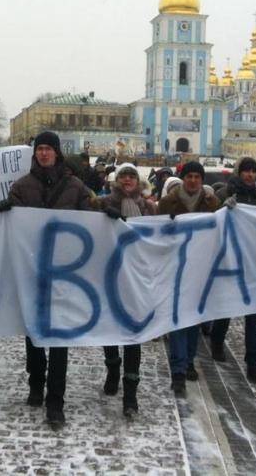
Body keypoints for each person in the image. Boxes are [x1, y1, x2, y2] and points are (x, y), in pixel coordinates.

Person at [0, 131, 91, 427]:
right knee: (34, 332)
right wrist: (4, 212)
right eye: (40, 149)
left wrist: (107, 217)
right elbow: (12, 225)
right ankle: (36, 383)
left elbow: (90, 219)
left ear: (57, 152)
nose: (44, 153)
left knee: (60, 337)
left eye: (49, 148)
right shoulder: (22, 186)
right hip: (32, 270)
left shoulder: (75, 187)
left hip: (65, 272)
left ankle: (55, 401)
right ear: (35, 153)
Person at [92, 163, 156, 417]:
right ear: (116, 180)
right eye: (123, 176)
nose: (128, 180)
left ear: (138, 181)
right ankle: (112, 369)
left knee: (133, 334)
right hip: (108, 276)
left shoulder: (148, 207)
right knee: (109, 330)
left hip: (136, 279)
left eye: (132, 176)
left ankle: (130, 393)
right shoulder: (104, 203)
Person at [158, 161, 221, 396]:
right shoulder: (168, 202)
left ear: (202, 180)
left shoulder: (212, 203)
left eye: (197, 176)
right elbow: (158, 234)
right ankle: (178, 371)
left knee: (193, 320)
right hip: (175, 268)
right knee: (177, 320)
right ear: (183, 178)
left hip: (200, 269)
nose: (193, 180)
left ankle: (189, 360)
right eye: (189, 176)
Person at [209, 157, 256, 385]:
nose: (250, 175)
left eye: (253, 171)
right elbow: (213, 220)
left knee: (254, 314)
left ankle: (254, 364)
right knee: (226, 307)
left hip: (253, 260)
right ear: (239, 172)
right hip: (230, 258)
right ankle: (217, 340)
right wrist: (223, 208)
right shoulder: (225, 192)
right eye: (246, 171)